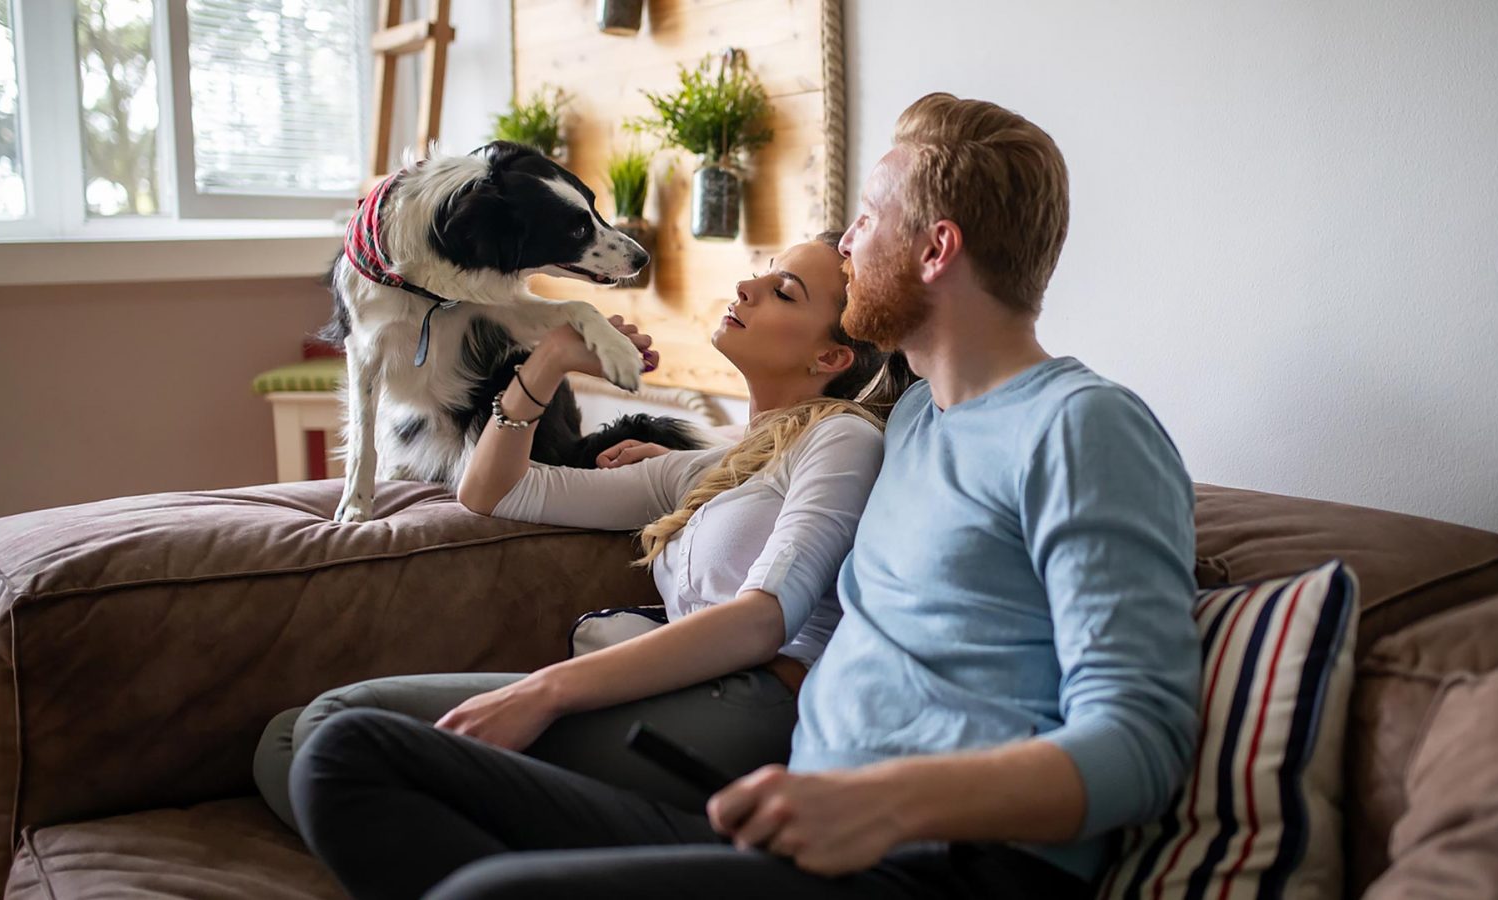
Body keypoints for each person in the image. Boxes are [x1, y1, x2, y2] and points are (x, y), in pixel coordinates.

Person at [289, 93, 1201, 900]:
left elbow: (1144, 746)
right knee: (345, 755)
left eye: (867, 221)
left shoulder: (1084, 426)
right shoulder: (913, 425)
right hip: (790, 835)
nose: (847, 242)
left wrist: (879, 800)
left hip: (939, 862)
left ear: (935, 249)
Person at [252, 232, 914, 830]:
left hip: (757, 706)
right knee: (286, 740)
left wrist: (543, 691)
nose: (748, 287)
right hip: (672, 695)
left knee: (331, 732)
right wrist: (547, 366)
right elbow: (494, 492)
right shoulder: (704, 470)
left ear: (830, 355)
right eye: (764, 272)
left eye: (783, 292)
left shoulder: (842, 439)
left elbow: (762, 622)